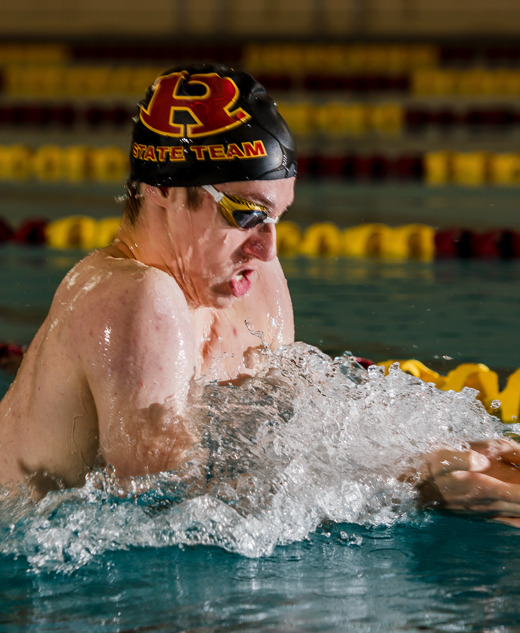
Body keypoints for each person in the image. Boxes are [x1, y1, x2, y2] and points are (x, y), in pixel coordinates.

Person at [1, 63, 520, 524]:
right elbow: (170, 510)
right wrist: (412, 484)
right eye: (245, 213)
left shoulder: (254, 287)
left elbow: (290, 435)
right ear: (164, 189)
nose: (267, 249)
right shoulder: (134, 300)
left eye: (276, 216)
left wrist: (440, 455)